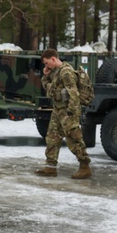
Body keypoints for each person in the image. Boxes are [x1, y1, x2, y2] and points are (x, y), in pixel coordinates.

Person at [36, 49, 91, 179]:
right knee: (52, 137)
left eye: (47, 63)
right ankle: (50, 167)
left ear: (53, 59)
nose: (46, 66)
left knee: (74, 138)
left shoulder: (66, 72)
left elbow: (74, 94)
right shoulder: (55, 72)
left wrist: (72, 113)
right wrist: (45, 75)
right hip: (58, 110)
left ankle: (85, 167)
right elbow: (49, 89)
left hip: (67, 111)